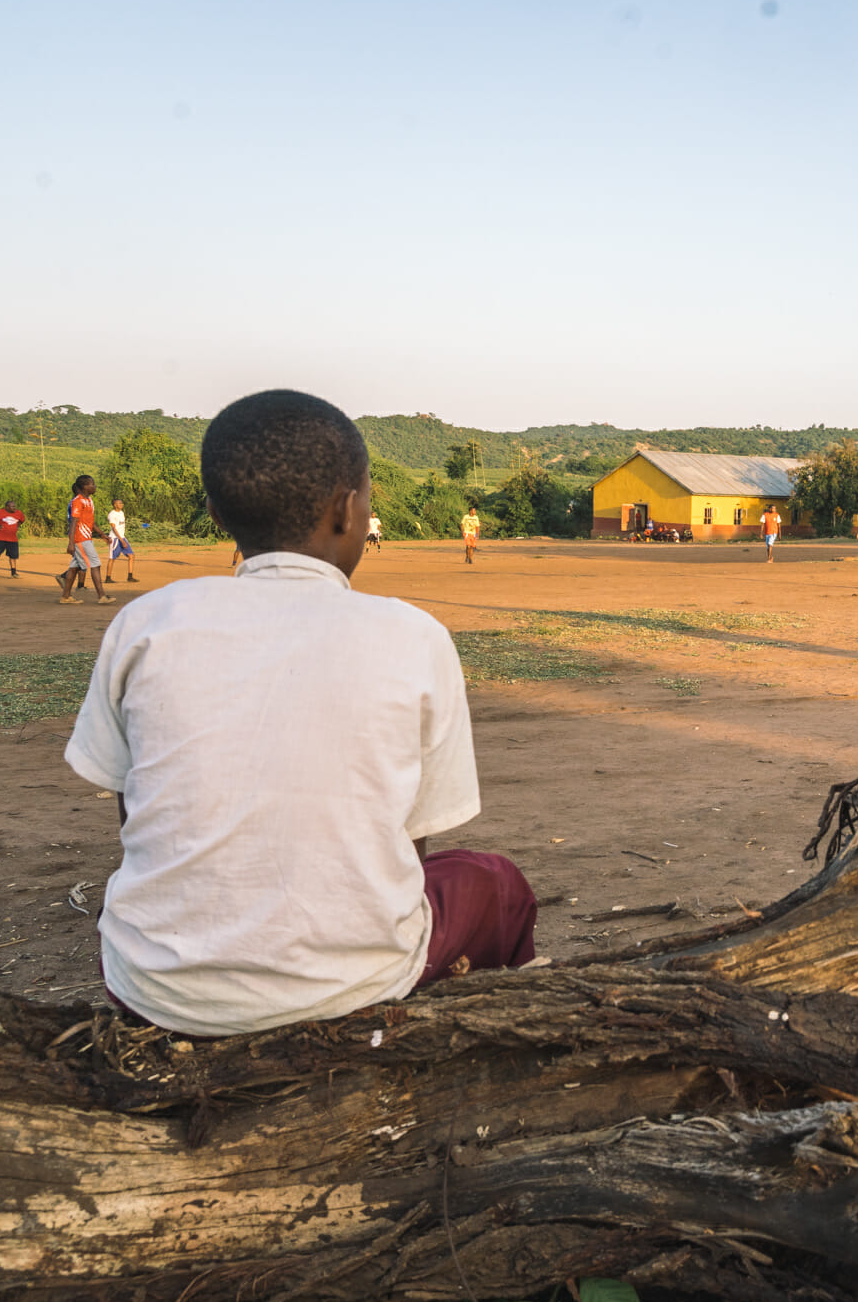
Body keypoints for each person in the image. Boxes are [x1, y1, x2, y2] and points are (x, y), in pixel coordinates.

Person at [62, 389, 537, 1037]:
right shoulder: (413, 635)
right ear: (348, 511)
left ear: (215, 510)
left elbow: (130, 810)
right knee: (496, 883)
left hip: (154, 987)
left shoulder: (147, 622)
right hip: (353, 989)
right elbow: (409, 846)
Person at [56, 475, 114, 605]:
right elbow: (74, 522)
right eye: (92, 484)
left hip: (86, 537)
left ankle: (65, 596)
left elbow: (90, 522)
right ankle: (102, 596)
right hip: (80, 539)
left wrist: (102, 534)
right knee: (95, 564)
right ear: (84, 487)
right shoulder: (78, 501)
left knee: (75, 567)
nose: (94, 486)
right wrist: (71, 543)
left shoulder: (89, 500)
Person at [0, 499, 25, 578]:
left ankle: (14, 573)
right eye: (12, 506)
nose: (14, 508)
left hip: (13, 539)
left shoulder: (18, 513)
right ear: (7, 507)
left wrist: (17, 525)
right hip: (0, 539)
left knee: (13, 556)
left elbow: (22, 519)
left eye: (14, 506)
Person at [105, 499, 139, 583]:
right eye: (119, 503)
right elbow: (114, 528)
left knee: (131, 555)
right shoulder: (112, 514)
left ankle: (130, 577)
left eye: (121, 503)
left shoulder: (121, 513)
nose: (121, 504)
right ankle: (108, 578)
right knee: (112, 558)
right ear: (114, 505)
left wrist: (123, 539)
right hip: (115, 538)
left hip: (122, 537)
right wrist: (121, 540)